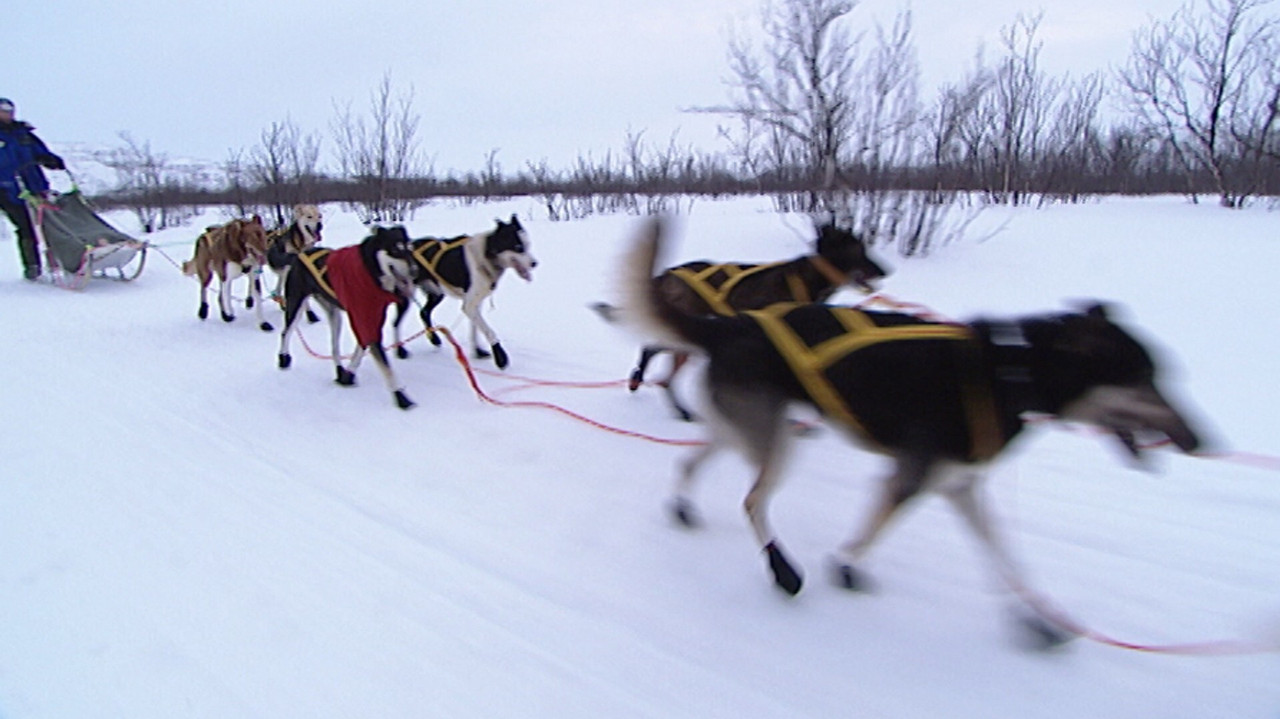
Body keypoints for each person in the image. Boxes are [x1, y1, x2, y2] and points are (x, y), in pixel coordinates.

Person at [0, 97, 65, 280]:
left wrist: (50, 160)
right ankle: (32, 267)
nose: (7, 115)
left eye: (10, 111)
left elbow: (39, 151)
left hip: (34, 186)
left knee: (49, 224)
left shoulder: (23, 133)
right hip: (7, 190)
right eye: (3, 111)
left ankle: (60, 260)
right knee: (26, 227)